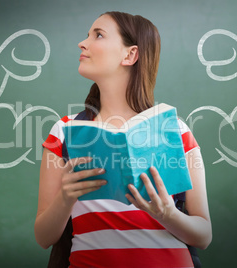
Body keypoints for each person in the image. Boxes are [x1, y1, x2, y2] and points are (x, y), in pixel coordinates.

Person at [35, 11, 212, 267]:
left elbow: (204, 235)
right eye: (87, 35)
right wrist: (65, 197)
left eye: (98, 35)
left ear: (130, 55)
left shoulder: (176, 131)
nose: (82, 43)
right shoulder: (64, 131)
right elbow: (43, 237)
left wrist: (168, 214)